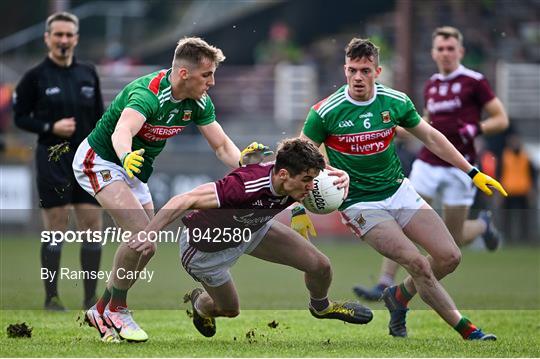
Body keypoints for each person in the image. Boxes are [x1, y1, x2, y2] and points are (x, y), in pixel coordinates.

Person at [297, 38, 507, 340]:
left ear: (377, 71)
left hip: (399, 191)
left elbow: (432, 137)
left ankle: (399, 297)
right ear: (344, 70)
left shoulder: (395, 101)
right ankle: (467, 329)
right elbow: (300, 156)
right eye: (353, 70)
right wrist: (304, 200)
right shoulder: (325, 112)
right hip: (359, 205)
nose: (358, 77)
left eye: (365, 70)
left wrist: (472, 172)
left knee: (450, 257)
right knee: (418, 263)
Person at [73, 36, 271, 343]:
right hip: (101, 161)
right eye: (207, 75)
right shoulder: (147, 94)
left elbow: (220, 146)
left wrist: (246, 163)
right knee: (144, 239)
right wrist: (126, 155)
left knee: (144, 250)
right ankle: (118, 310)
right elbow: (122, 131)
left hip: (134, 170)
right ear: (183, 74)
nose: (213, 82)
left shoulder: (199, 102)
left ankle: (100, 309)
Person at [128, 138, 372, 338]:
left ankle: (321, 308)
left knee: (320, 266)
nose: (311, 187)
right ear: (284, 175)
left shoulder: (295, 174)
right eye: (307, 181)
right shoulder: (243, 186)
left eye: (313, 180)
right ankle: (201, 304)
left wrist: (343, 177)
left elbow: (323, 171)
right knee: (229, 310)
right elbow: (185, 199)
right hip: (205, 249)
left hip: (252, 229)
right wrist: (149, 233)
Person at [353, 26, 509, 302]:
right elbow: (423, 123)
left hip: (459, 166)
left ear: (460, 51)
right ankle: (384, 284)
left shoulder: (475, 81)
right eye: (440, 48)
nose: (445, 53)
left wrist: (477, 128)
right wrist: (387, 128)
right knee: (400, 217)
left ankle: (483, 226)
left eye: (451, 48)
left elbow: (501, 119)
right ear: (433, 52)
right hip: (427, 163)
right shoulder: (432, 84)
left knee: (454, 238)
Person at [13, 12, 104, 311]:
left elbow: (102, 117)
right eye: (58, 35)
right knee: (56, 225)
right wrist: (50, 128)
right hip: (53, 159)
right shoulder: (34, 77)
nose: (63, 40)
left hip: (87, 161)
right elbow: (20, 117)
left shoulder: (88, 73)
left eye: (69, 35)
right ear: (47, 38)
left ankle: (90, 297)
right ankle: (51, 297)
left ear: (76, 38)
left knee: (92, 224)